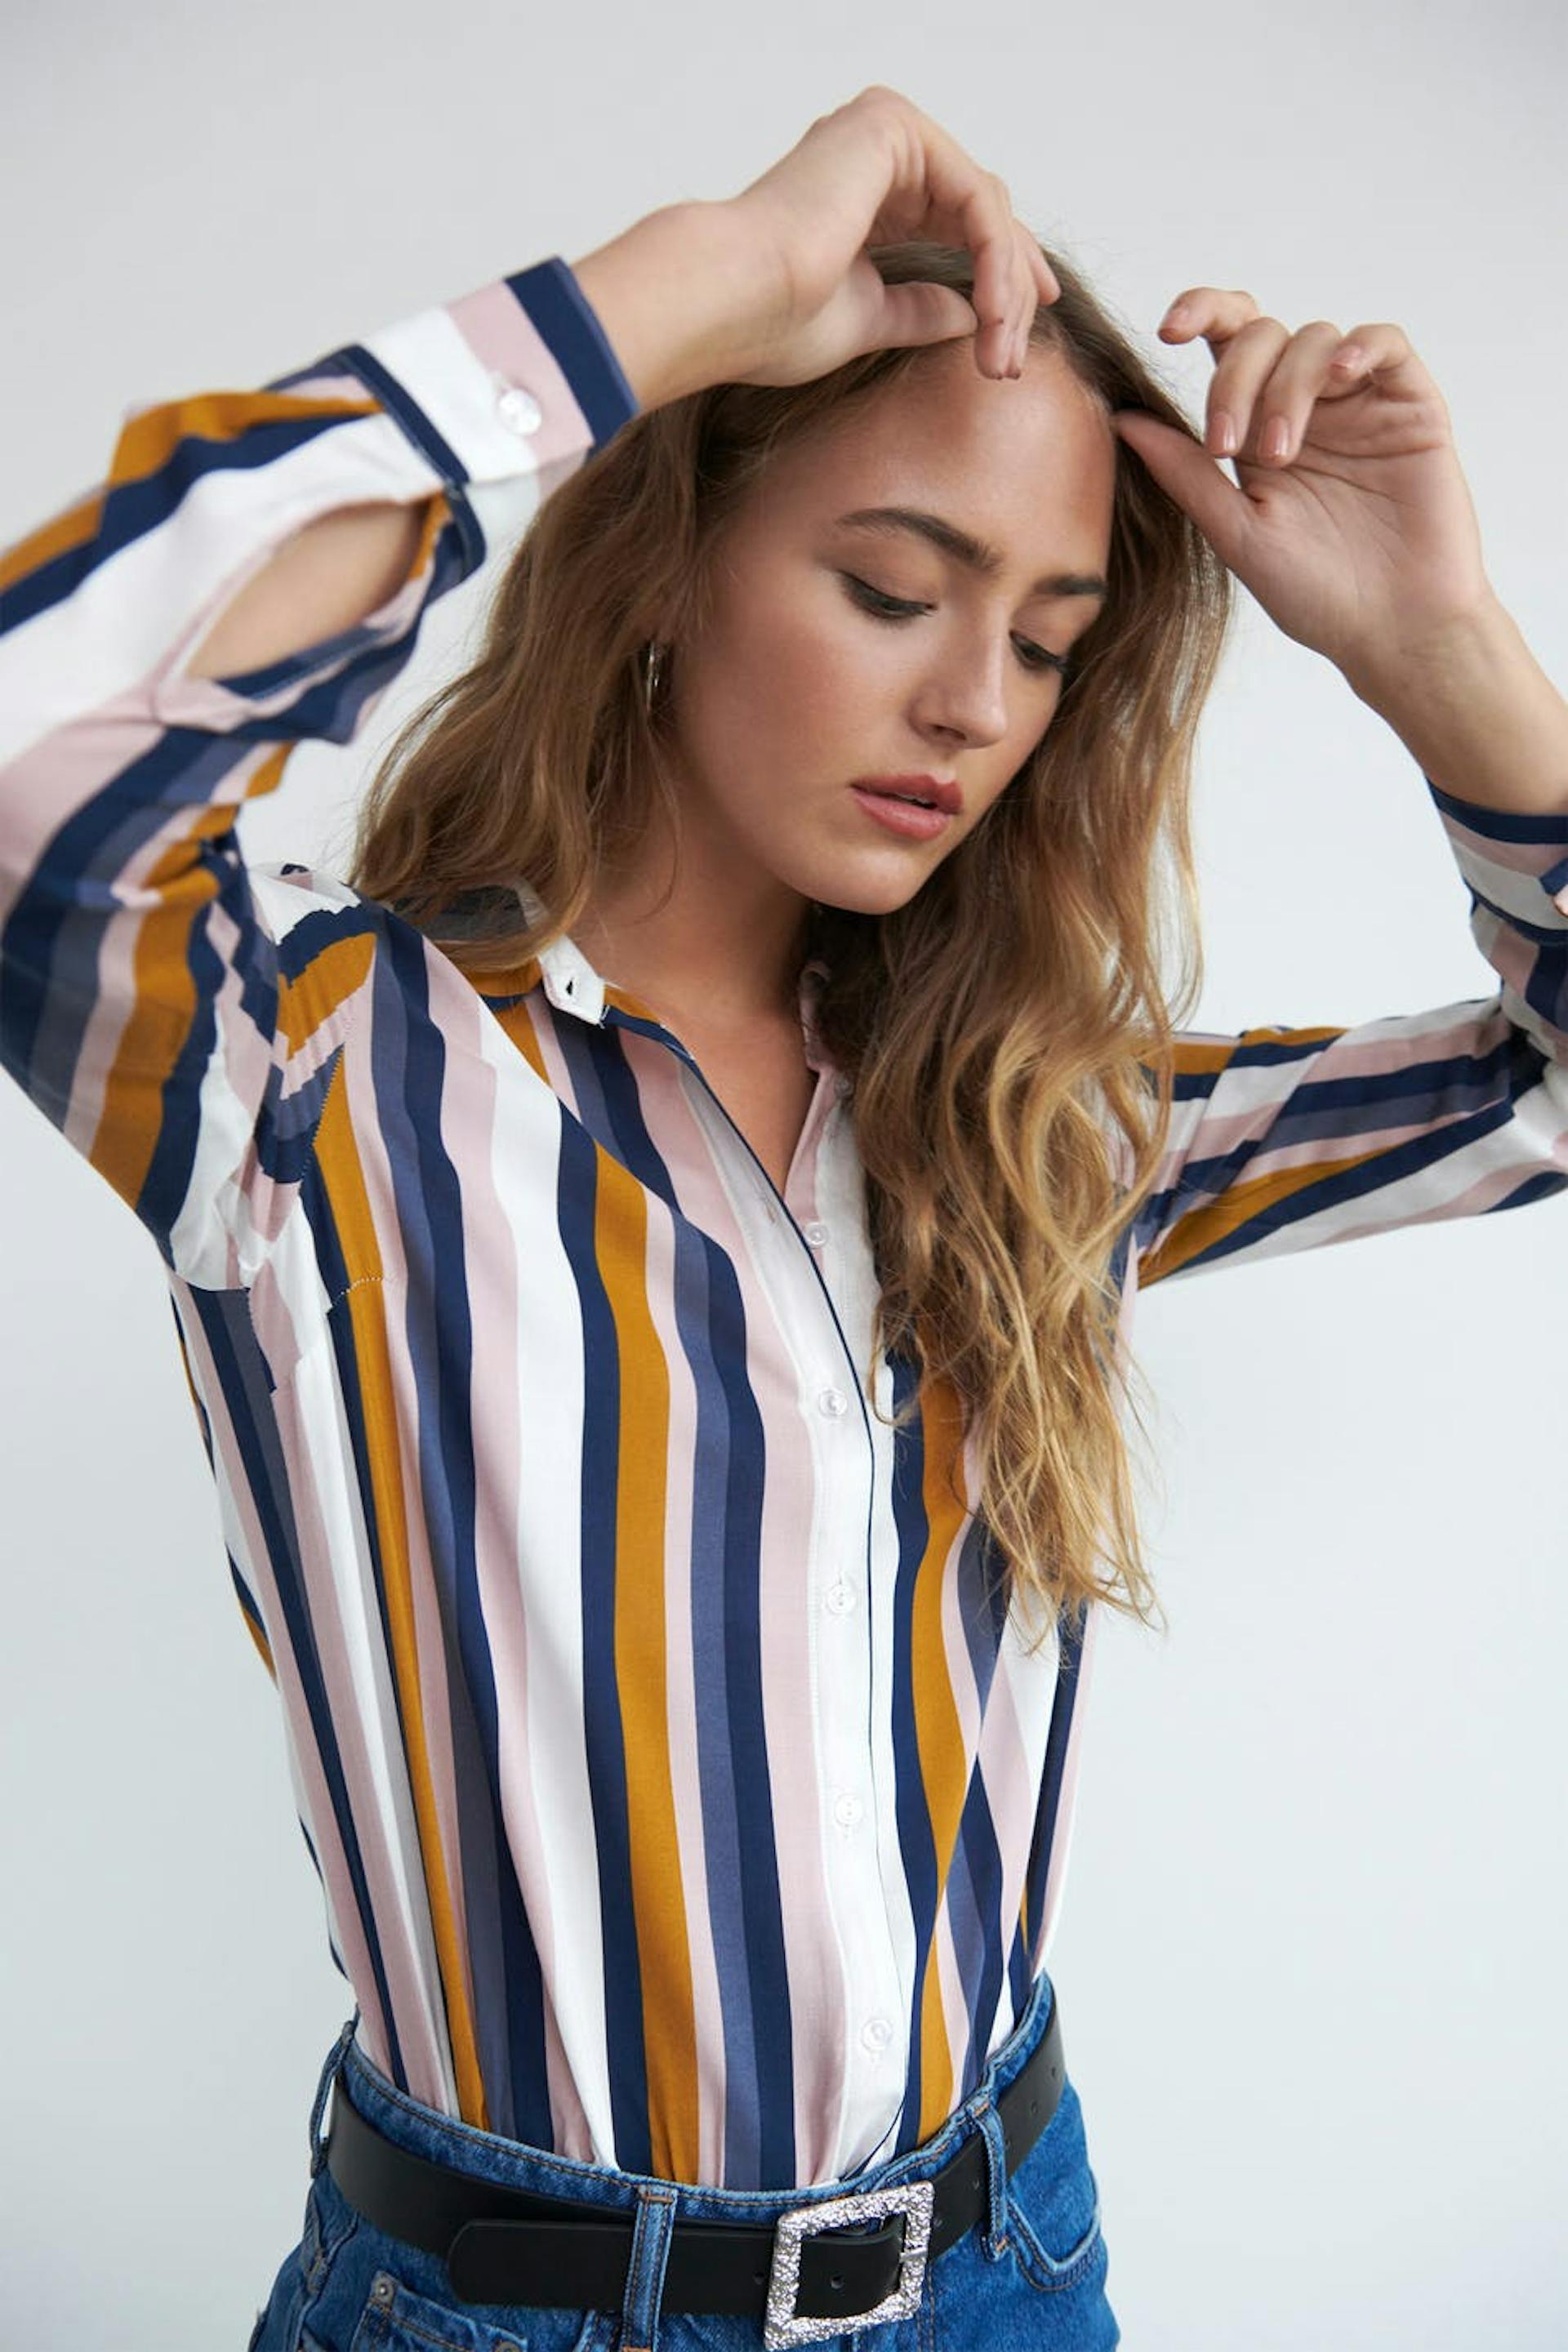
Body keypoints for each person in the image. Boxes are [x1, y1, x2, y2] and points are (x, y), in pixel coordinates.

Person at [2, 78, 1565, 2352]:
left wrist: (1444, 651)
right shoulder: (318, 1068)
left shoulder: (1034, 1127)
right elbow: (34, 748)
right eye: (892, 587)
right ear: (668, 568)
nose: (974, 703)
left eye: (1049, 638)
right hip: (504, 2312)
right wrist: (681, 295)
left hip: (1007, 2266)